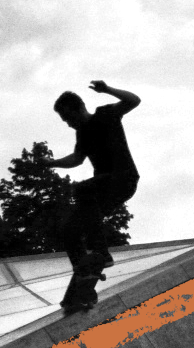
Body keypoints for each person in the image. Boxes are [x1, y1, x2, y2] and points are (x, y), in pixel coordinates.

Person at [45, 79, 142, 311]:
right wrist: (52, 163)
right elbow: (77, 159)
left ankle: (102, 253)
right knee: (70, 230)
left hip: (123, 179)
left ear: (79, 108)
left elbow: (134, 100)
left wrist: (107, 90)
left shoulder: (105, 114)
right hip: (102, 191)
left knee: (82, 189)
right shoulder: (82, 134)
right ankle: (83, 279)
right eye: (64, 121)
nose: (69, 124)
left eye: (69, 118)